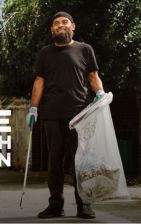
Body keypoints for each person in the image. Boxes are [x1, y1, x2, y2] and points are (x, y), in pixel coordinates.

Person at [27, 11, 105, 219]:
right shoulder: (45, 53)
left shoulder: (85, 49)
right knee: (55, 160)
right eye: (55, 24)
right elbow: (39, 81)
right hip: (52, 114)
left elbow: (93, 76)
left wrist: (100, 93)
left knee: (81, 161)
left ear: (73, 26)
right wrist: (33, 108)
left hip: (80, 114)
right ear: (52, 30)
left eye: (64, 22)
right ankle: (55, 204)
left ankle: (84, 204)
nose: (60, 25)